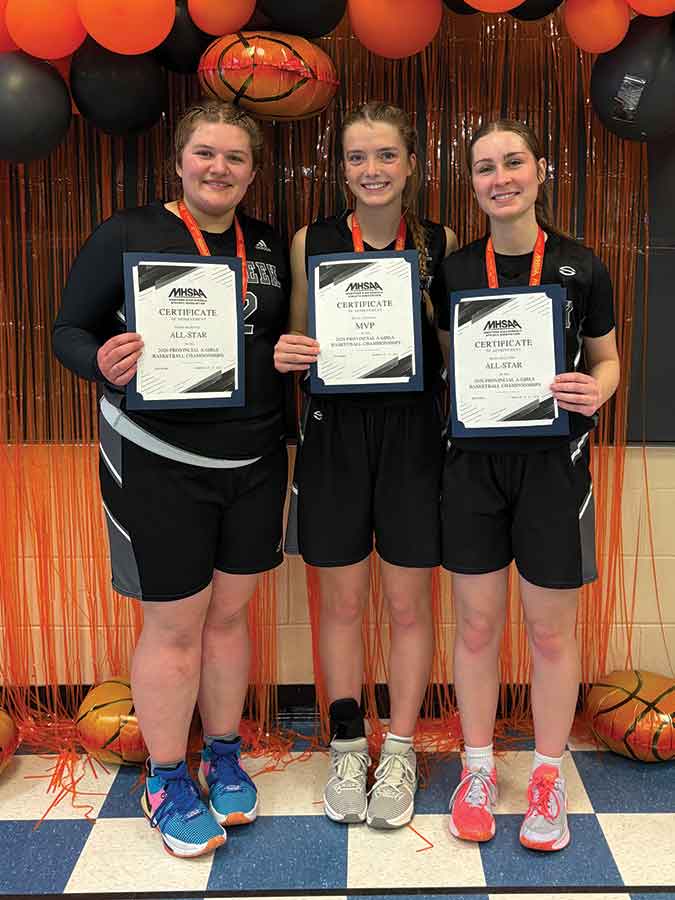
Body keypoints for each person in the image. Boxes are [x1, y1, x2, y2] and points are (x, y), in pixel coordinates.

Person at [53, 100, 289, 858]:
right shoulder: (126, 233)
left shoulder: (266, 243)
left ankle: (222, 756)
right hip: (158, 457)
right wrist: (100, 361)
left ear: (253, 171)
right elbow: (68, 331)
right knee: (175, 625)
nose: (219, 168)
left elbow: (275, 336)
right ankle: (163, 779)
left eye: (235, 157)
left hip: (254, 461)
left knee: (229, 618)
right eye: (205, 153)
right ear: (180, 160)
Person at [274, 102, 457, 829]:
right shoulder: (311, 241)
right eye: (357, 157)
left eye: (385, 155)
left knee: (409, 605)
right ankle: (348, 744)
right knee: (342, 605)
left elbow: (455, 346)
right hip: (334, 435)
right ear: (342, 168)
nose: (372, 169)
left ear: (410, 164)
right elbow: (296, 339)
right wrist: (291, 353)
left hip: (414, 437)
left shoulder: (441, 242)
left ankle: (401, 747)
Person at [440, 119, 620, 851]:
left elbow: (607, 359)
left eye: (513, 162)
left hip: (553, 468)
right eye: (485, 168)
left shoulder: (581, 265)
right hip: (471, 469)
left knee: (550, 632)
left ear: (539, 170)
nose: (501, 178)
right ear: (472, 184)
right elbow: (446, 367)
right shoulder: (454, 270)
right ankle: (477, 768)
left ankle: (548, 774)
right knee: (477, 627)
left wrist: (598, 390)